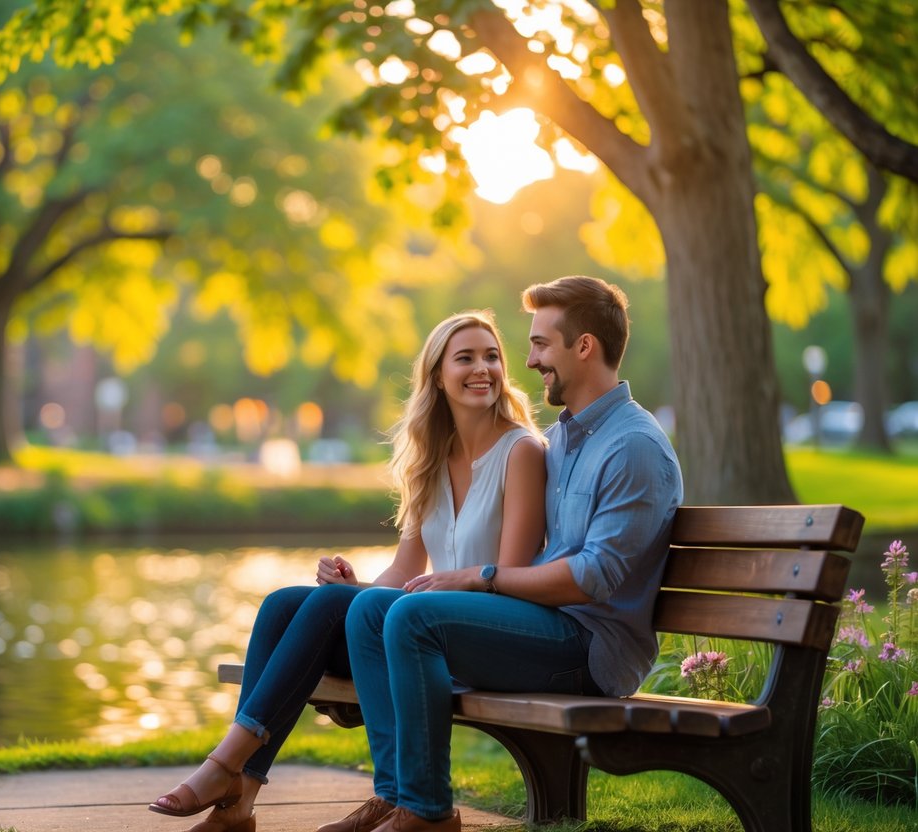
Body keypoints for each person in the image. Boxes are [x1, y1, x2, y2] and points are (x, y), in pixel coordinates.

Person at [148, 310, 547, 832]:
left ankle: (227, 766)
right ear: (436, 376)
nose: (483, 369)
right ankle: (238, 804)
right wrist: (354, 587)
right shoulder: (431, 460)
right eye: (466, 358)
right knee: (285, 604)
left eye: (492, 356)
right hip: (423, 632)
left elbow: (510, 576)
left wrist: (371, 599)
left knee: (334, 606)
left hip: (482, 635)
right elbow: (407, 570)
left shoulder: (521, 452)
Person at [331, 275, 683, 832]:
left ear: (583, 346)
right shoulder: (568, 436)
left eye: (542, 343)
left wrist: (481, 577)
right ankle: (399, 793)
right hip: (548, 625)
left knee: (414, 617)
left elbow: (592, 578)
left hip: (591, 651)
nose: (532, 359)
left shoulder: (632, 445)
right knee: (373, 611)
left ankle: (428, 813)